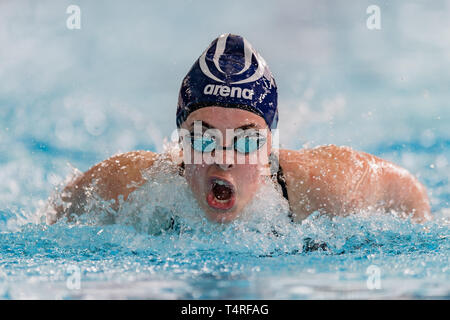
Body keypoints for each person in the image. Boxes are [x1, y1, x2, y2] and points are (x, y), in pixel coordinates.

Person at [47, 33, 431, 226]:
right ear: (180, 141)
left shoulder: (325, 188)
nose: (223, 160)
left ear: (270, 147)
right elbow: (51, 227)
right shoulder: (127, 187)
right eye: (203, 138)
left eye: (246, 140)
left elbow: (410, 195)